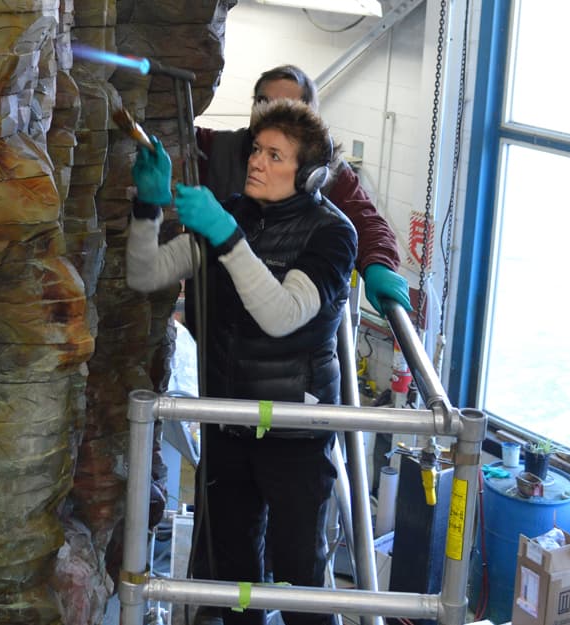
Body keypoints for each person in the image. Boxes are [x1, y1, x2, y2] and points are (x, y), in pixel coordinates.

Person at [127, 99, 356, 625]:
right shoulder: (235, 213)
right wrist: (148, 206)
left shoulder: (331, 234)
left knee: (301, 572)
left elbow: (283, 314)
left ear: (310, 174)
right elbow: (144, 274)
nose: (257, 161)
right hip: (230, 425)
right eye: (256, 149)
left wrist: (224, 233)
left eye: (276, 155)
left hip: (295, 432)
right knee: (234, 573)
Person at [196, 64, 411, 317]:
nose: (271, 112)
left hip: (292, 329)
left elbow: (367, 223)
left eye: (285, 104)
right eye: (263, 101)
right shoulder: (215, 149)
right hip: (219, 326)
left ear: (307, 115)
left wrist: (379, 265)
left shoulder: (327, 173)